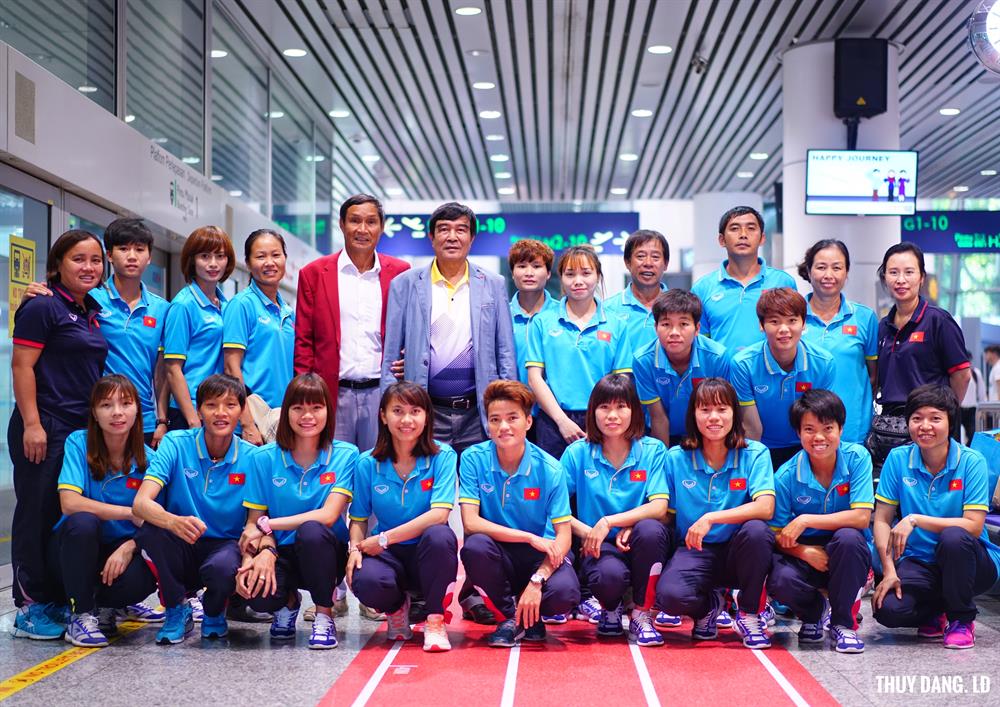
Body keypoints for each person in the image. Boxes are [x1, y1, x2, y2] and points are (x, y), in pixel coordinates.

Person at [9, 229, 108, 640]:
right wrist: (32, 424)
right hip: (45, 425)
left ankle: (55, 597)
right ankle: (30, 606)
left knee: (61, 515)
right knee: (36, 514)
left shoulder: (89, 309)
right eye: (78, 259)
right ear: (58, 264)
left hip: (78, 430)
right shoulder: (43, 306)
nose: (88, 267)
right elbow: (21, 366)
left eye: (95, 260)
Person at [21, 218, 171, 448]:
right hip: (98, 418)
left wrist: (162, 420)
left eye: (140, 249)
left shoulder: (163, 309)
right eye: (123, 249)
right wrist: (29, 297)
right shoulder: (89, 298)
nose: (132, 256)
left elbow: (162, 371)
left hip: (145, 420)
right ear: (109, 255)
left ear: (149, 257)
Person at [872, 385, 1000, 650]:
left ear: (950, 422)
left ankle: (961, 619)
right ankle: (937, 608)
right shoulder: (898, 459)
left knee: (953, 538)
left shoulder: (971, 461)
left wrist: (915, 519)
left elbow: (973, 526)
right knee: (888, 610)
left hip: (970, 560)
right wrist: (889, 571)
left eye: (935, 418)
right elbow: (882, 519)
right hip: (919, 561)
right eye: (917, 418)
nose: (925, 426)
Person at [381, 202, 516, 455]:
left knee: (477, 478)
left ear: (472, 238)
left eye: (461, 230)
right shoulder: (405, 284)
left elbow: (505, 351)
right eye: (444, 229)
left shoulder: (493, 284)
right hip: (424, 412)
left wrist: (508, 407)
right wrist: (391, 410)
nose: (452, 237)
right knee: (427, 477)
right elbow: (390, 356)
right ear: (431, 237)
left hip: (478, 413)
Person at [238, 373, 357, 649]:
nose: (308, 416)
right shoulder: (263, 458)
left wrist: (270, 525)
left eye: (316, 407)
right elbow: (254, 523)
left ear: (328, 411)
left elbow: (328, 516)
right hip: (281, 551)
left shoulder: (345, 454)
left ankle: (324, 614)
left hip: (326, 552)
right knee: (257, 591)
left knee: (312, 531)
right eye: (298, 408)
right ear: (286, 412)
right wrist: (261, 552)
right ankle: (289, 603)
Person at [655, 378, 776, 650]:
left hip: (739, 552)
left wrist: (711, 517)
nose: (714, 417)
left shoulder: (755, 453)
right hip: (695, 549)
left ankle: (749, 613)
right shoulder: (676, 458)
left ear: (734, 413)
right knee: (670, 597)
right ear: (693, 415)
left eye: (722, 409)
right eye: (705, 410)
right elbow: (666, 514)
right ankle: (710, 606)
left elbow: (766, 506)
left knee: (758, 531)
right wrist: (631, 525)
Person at [132, 374, 254, 644]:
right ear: (198, 411)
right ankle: (177, 609)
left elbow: (256, 521)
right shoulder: (175, 443)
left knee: (222, 567)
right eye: (211, 405)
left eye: (230, 405)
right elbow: (140, 503)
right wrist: (173, 521)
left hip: (225, 545)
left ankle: (214, 611)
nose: (220, 413)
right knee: (152, 530)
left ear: (242, 410)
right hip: (182, 539)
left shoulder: (253, 457)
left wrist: (249, 555)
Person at [459, 380, 581, 647]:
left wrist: (537, 581)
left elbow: (563, 537)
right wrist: (527, 537)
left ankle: (528, 617)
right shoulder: (472, 459)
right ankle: (510, 617)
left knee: (565, 593)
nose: (503, 426)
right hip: (499, 552)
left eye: (512, 418)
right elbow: (470, 522)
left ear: (528, 422)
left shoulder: (551, 469)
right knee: (475, 547)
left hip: (540, 554)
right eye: (495, 419)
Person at [347, 382, 459, 652]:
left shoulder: (443, 456)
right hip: (389, 556)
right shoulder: (367, 463)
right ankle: (396, 609)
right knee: (365, 579)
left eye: (415, 411)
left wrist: (383, 539)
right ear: (383, 416)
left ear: (426, 417)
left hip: (426, 552)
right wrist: (354, 550)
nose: (407, 420)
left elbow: (439, 515)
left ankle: (435, 619)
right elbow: (359, 518)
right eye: (398, 411)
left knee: (440, 535)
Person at [294, 194, 410, 453]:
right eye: (355, 221)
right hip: (331, 393)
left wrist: (409, 358)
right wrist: (306, 395)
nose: (362, 229)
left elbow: (411, 330)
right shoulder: (314, 273)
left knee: (378, 465)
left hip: (383, 393)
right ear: (341, 224)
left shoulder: (401, 272)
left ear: (381, 227)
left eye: (371, 222)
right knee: (333, 466)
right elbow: (304, 340)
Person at [560, 374, 671, 646]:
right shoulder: (577, 453)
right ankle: (610, 607)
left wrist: (610, 522)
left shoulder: (653, 450)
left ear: (634, 411)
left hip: (638, 540)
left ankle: (642, 614)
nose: (613, 415)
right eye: (604, 407)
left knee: (651, 530)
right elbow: (555, 510)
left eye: (621, 406)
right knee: (609, 577)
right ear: (592, 412)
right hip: (598, 544)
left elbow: (659, 506)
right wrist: (589, 533)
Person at [53, 375, 158, 646]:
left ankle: (109, 607)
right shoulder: (79, 443)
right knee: (83, 521)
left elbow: (157, 520)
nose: (117, 413)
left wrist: (130, 547)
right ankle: (81, 615)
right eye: (106, 405)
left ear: (137, 410)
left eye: (125, 404)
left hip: (119, 548)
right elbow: (69, 503)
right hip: (77, 548)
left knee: (144, 576)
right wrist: (129, 512)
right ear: (94, 412)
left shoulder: (150, 459)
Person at [766, 390, 873, 654]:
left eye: (828, 428)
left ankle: (843, 624)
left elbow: (861, 517)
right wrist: (804, 552)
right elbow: (776, 534)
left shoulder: (858, 458)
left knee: (849, 538)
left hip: (846, 548)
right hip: (805, 550)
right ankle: (814, 613)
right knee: (779, 580)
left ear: (841, 429)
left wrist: (805, 519)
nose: (819, 437)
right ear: (798, 433)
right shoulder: (785, 475)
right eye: (809, 429)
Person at [868, 243, 971, 474]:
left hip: (929, 426)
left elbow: (962, 376)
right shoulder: (882, 327)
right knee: (894, 488)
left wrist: (944, 414)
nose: (901, 280)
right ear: (884, 278)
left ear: (921, 277)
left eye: (909, 272)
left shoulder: (938, 321)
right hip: (890, 429)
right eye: (893, 272)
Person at [526, 245, 632, 459]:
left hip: (603, 419)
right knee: (556, 480)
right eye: (570, 274)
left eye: (586, 273)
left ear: (598, 276)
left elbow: (621, 379)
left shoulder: (616, 324)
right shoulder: (542, 322)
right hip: (553, 421)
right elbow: (534, 378)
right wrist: (561, 421)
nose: (578, 281)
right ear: (561, 278)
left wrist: (603, 418)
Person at [731, 287, 836, 469]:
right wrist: (754, 467)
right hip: (762, 447)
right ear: (761, 325)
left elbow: (821, 419)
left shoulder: (824, 363)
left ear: (804, 324)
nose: (784, 329)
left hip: (806, 447)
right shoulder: (743, 364)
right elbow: (751, 428)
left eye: (792, 321)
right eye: (774, 321)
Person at [798, 239, 878, 445]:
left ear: (846, 272)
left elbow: (873, 375)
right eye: (821, 267)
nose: (828, 275)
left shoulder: (865, 317)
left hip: (853, 431)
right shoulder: (794, 316)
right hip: (805, 431)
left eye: (836, 267)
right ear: (809, 271)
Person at [633, 289, 732, 447]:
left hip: (705, 434)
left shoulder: (717, 357)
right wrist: (663, 459)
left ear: (697, 328)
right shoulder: (643, 361)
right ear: (655, 327)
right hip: (662, 435)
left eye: (684, 324)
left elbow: (719, 412)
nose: (674, 332)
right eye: (666, 324)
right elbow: (658, 417)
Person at [223, 229, 295, 445]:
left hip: (281, 420)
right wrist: (247, 423)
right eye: (261, 256)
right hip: (253, 421)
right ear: (247, 262)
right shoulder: (241, 304)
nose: (269, 262)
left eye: (276, 255)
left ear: (285, 258)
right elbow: (231, 367)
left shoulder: (288, 311)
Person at [691, 206, 795, 351]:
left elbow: (794, 332)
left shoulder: (783, 282)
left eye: (751, 228)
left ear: (762, 238)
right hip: (722, 367)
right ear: (722, 240)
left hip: (770, 366)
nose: (743, 235)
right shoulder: (702, 288)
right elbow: (699, 341)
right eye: (735, 229)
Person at [163, 226, 236, 430]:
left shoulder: (226, 305)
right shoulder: (183, 305)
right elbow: (172, 368)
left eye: (220, 256)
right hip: (190, 411)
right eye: (205, 256)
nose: (213, 263)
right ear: (192, 260)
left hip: (218, 407)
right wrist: (192, 418)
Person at [603, 229, 670, 351]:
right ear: (627, 262)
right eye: (640, 256)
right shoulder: (608, 309)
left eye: (655, 257)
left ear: (665, 264)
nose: (648, 263)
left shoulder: (679, 308)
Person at [508, 238, 557, 386]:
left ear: (548, 273)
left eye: (536, 266)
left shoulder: (563, 315)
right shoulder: (501, 315)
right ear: (512, 273)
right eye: (522, 266)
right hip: (511, 397)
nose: (529, 273)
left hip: (553, 399)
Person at [961, 349, 986, 445]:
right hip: (958, 409)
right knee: (955, 435)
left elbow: (981, 392)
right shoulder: (955, 373)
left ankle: (969, 451)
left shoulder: (976, 373)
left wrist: (983, 410)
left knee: (972, 434)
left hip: (972, 409)